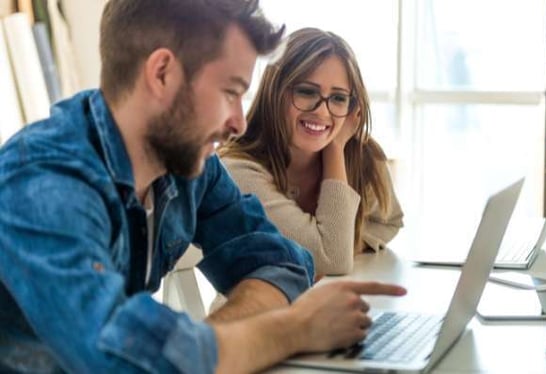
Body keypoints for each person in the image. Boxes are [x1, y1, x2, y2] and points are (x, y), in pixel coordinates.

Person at [0, 1, 406, 373]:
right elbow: (123, 362)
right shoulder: (42, 184)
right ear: (162, 73)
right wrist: (293, 329)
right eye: (231, 92)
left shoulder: (189, 166)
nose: (239, 122)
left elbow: (284, 263)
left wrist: (207, 344)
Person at [218, 28, 404, 276]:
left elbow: (388, 221)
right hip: (259, 313)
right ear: (275, 92)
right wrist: (335, 148)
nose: (322, 112)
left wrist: (344, 240)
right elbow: (332, 259)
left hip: (330, 305)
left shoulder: (361, 155)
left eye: (338, 98)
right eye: (306, 92)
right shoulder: (237, 170)